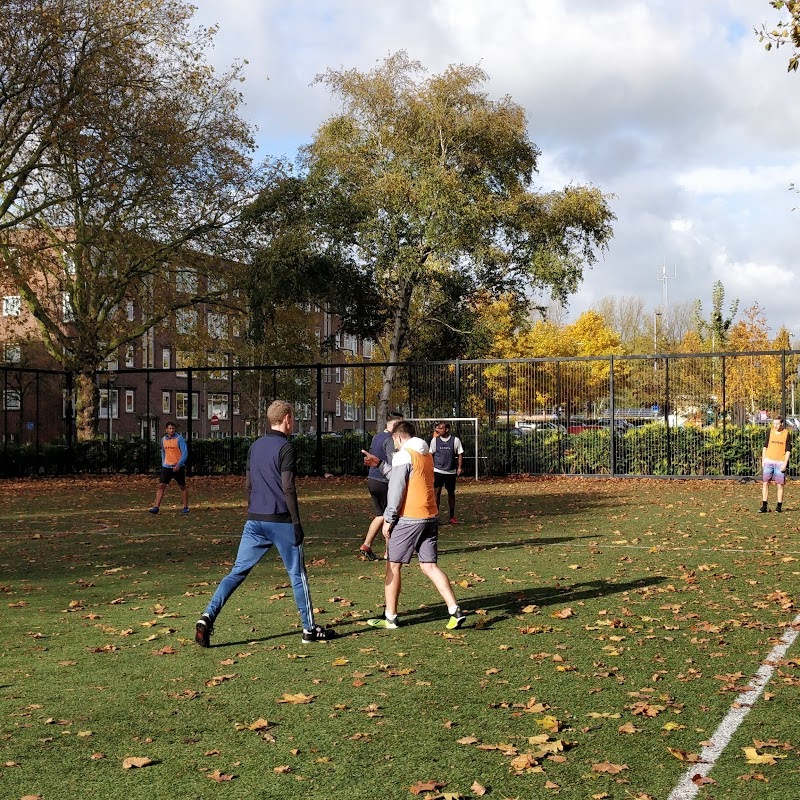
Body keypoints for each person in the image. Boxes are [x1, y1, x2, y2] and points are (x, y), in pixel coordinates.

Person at [195, 400, 336, 646]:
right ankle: (309, 630)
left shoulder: (255, 446)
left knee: (236, 572)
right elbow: (288, 487)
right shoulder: (286, 448)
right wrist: (296, 522)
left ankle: (207, 616)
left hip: (255, 521)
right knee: (297, 575)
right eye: (293, 419)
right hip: (281, 521)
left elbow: (248, 484)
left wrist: (253, 510)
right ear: (287, 418)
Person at [362, 420, 466, 631]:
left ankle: (390, 617)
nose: (394, 446)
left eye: (394, 441)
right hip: (430, 515)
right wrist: (380, 465)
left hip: (410, 517)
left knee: (393, 565)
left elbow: (398, 487)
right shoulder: (425, 453)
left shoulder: (403, 454)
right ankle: (455, 610)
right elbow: (404, 477)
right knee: (429, 565)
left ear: (399, 437)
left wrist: (389, 518)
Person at [359, 411, 404, 561]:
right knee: (391, 516)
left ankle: (366, 545)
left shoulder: (377, 436)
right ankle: (389, 552)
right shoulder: (391, 440)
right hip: (384, 480)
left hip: (372, 478)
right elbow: (393, 462)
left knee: (380, 515)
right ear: (396, 425)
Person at [149, 421, 189, 514]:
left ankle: (185, 507)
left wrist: (179, 464)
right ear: (166, 430)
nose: (171, 430)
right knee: (161, 485)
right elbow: (163, 451)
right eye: (170, 428)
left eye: (173, 428)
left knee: (182, 486)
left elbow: (185, 452)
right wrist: (164, 462)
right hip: (167, 466)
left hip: (178, 467)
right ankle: (156, 507)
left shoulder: (179, 439)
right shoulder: (163, 440)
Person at [429, 421, 464, 524]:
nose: (438, 430)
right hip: (438, 470)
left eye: (441, 428)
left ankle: (452, 517)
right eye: (437, 428)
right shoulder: (435, 440)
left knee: (451, 493)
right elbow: (431, 454)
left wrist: (459, 467)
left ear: (447, 429)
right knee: (437, 492)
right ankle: (436, 516)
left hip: (451, 471)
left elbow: (460, 453)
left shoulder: (455, 440)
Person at [760, 416, 792, 513]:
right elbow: (765, 447)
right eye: (774, 423)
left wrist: (784, 464)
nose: (775, 425)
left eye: (777, 423)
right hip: (768, 461)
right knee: (765, 483)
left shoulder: (786, 433)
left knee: (780, 485)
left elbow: (788, 450)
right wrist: (763, 460)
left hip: (780, 462)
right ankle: (764, 505)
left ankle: (779, 506)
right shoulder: (770, 431)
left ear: (782, 424)